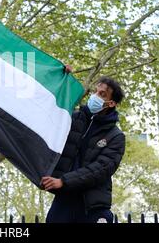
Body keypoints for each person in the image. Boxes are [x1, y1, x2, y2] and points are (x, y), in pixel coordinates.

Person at [42, 76, 126, 223]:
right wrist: (62, 78)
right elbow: (48, 112)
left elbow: (100, 169)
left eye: (102, 94)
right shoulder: (72, 119)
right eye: (96, 91)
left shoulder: (116, 136)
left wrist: (64, 181)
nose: (95, 96)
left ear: (111, 103)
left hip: (93, 206)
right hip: (64, 201)